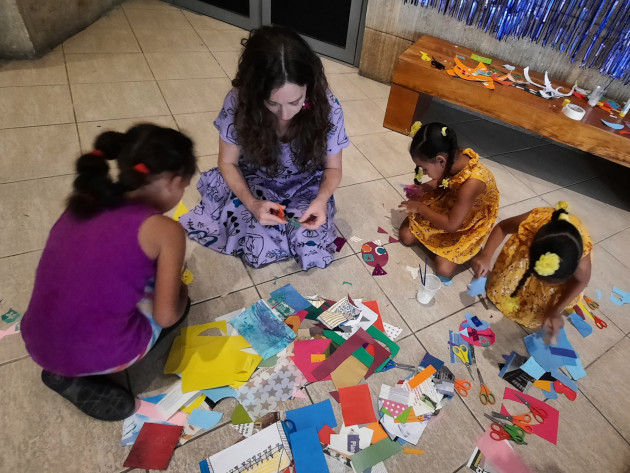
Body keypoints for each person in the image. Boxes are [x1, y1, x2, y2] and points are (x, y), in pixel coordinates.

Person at [21, 124, 197, 421]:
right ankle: (89, 371)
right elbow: (167, 315)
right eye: (184, 187)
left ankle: (65, 370)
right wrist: (181, 290)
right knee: (181, 303)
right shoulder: (166, 231)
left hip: (36, 340)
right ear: (173, 182)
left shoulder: (84, 201)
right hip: (105, 354)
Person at [180, 26, 349, 270]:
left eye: (295, 102)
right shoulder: (238, 101)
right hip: (255, 179)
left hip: (306, 184)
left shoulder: (329, 106)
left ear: (309, 86)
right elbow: (227, 163)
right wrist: (251, 203)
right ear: (255, 91)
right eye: (272, 103)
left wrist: (321, 199)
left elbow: (333, 169)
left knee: (310, 242)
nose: (285, 114)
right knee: (258, 246)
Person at [471, 202, 592, 342]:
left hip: (563, 252)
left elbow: (582, 281)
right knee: (501, 287)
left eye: (550, 284)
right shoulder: (534, 221)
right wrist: (486, 255)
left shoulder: (582, 259)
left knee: (540, 308)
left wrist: (556, 309)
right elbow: (502, 227)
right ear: (530, 251)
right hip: (536, 245)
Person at [398, 121, 500, 277]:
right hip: (452, 201)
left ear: (440, 160)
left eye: (424, 168)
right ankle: (436, 244)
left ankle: (460, 250)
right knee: (406, 236)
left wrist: (419, 208)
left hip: (465, 221)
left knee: (444, 270)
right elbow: (443, 181)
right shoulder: (450, 157)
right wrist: (423, 188)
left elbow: (451, 225)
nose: (424, 173)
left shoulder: (473, 183)